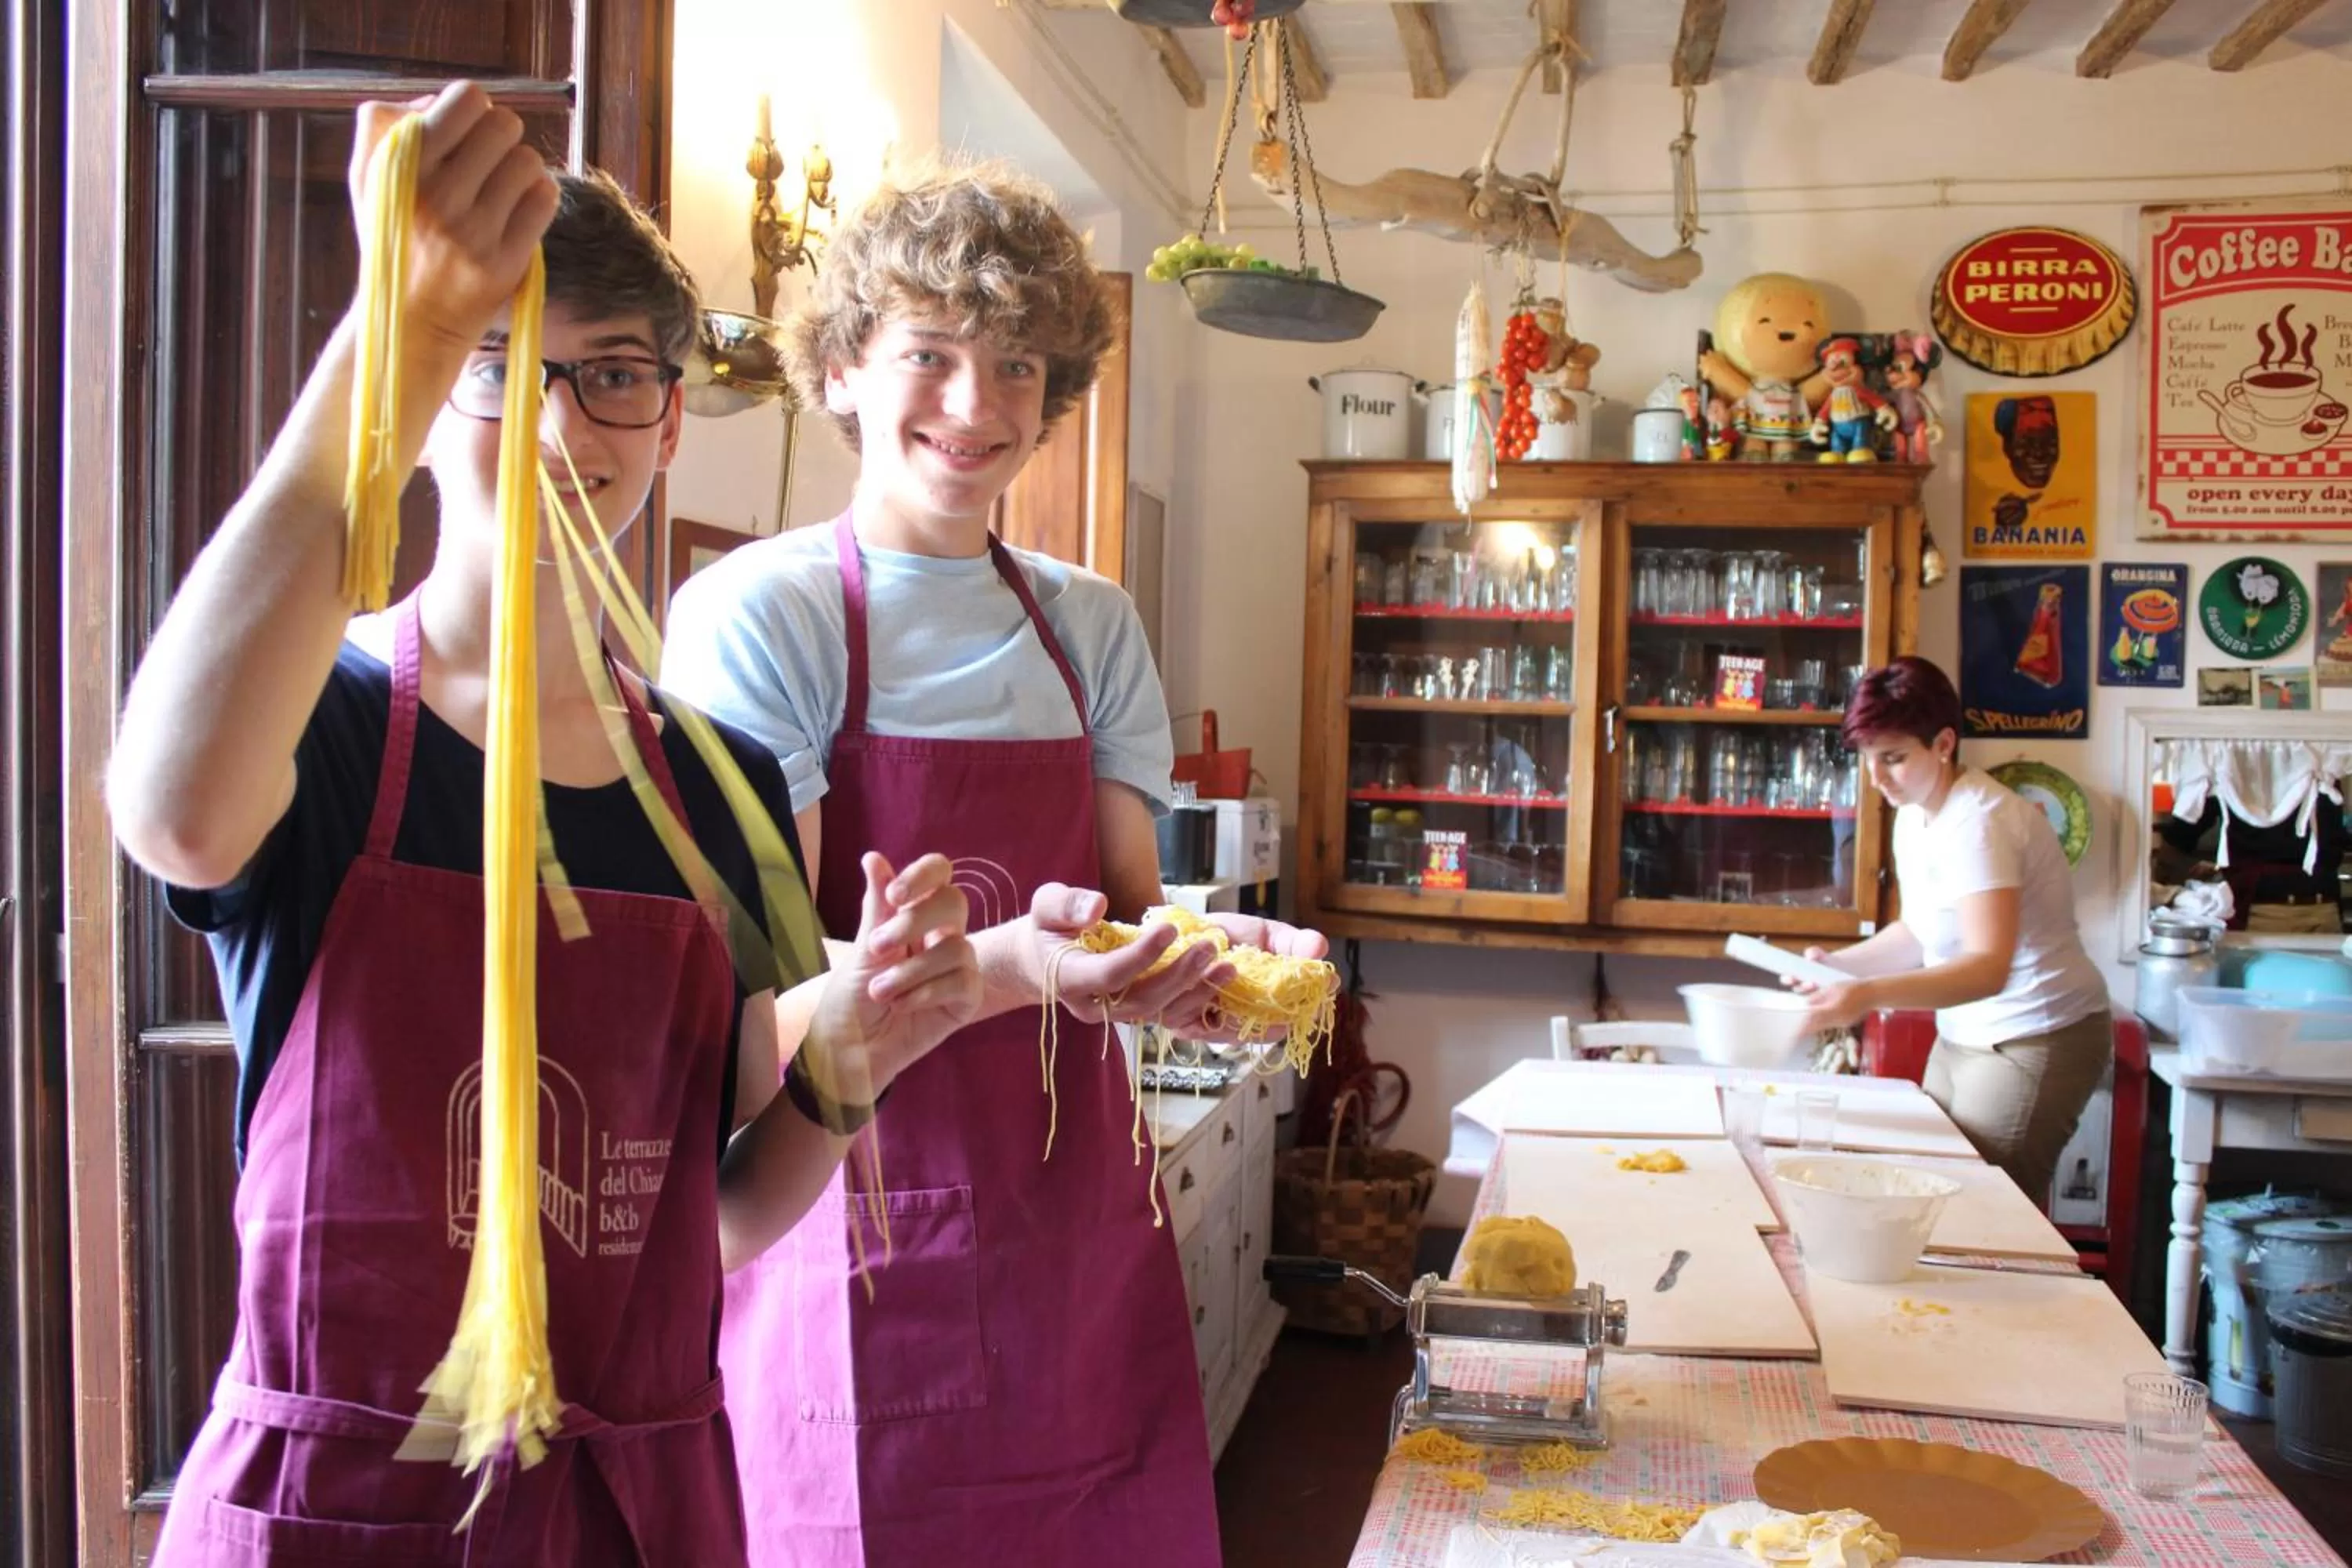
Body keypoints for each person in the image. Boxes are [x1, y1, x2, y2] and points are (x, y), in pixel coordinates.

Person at [107, 83, 981, 1565]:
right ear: (425, 397)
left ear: (669, 416)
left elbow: (696, 1224)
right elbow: (173, 814)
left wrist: (847, 1074)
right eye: (504, 364)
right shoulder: (323, 724)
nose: (563, 423)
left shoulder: (717, 789)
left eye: (614, 373)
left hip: (622, 1515)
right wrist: (402, 319)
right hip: (347, 1515)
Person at [660, 159, 1327, 1567]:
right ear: (842, 369)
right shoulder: (762, 616)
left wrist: (1217, 969)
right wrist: (1013, 965)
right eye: (931, 354)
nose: (977, 405)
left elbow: (1131, 918)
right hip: (854, 1207)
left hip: (1074, 1219)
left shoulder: (1091, 626)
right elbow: (759, 997)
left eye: (1018, 362)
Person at [1785, 657, 2111, 1202]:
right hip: (1967, 1032)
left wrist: (1867, 995)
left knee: (1987, 1206)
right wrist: (1840, 967)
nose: (1877, 778)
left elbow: (1987, 968)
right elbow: (1921, 931)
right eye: (1868, 759)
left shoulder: (1980, 821)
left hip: (2036, 1031)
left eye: (1894, 758)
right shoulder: (1915, 813)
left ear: (1943, 744)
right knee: (1931, 1187)